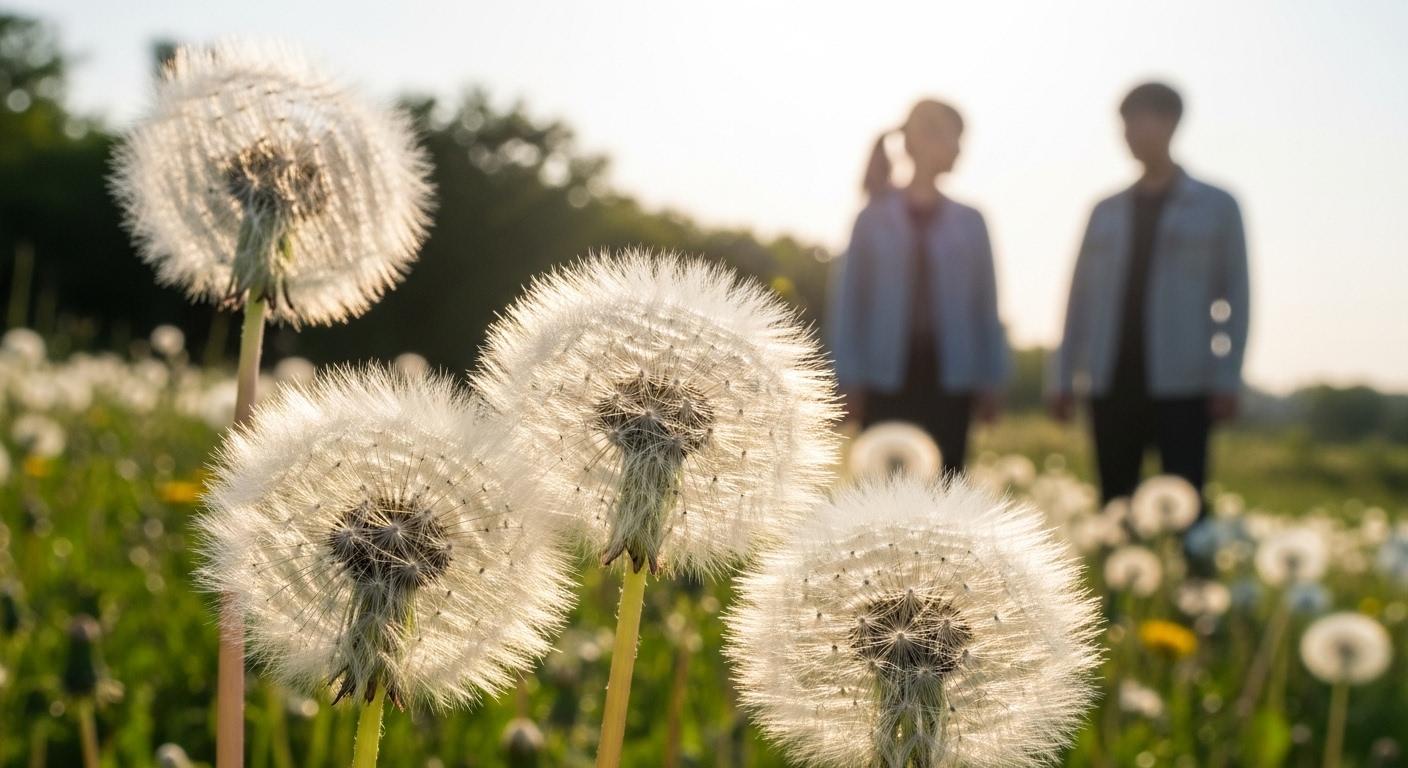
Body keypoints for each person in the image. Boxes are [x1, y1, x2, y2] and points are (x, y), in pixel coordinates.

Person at [1049, 82, 1250, 510]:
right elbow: (1078, 297)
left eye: (1140, 121)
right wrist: (1063, 375)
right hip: (1109, 379)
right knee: (1114, 505)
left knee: (1186, 506)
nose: (1130, 134)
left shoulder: (1218, 206)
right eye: (1124, 125)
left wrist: (1227, 376)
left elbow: (1237, 297)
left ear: (1172, 123)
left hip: (1185, 383)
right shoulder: (1104, 209)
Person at [827, 99, 1010, 477]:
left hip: (953, 379)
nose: (960, 150)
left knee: (947, 489)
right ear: (923, 139)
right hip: (883, 379)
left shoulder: (972, 221)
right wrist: (848, 377)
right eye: (954, 139)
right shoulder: (871, 219)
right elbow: (849, 305)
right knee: (880, 494)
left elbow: (986, 307)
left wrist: (991, 379)